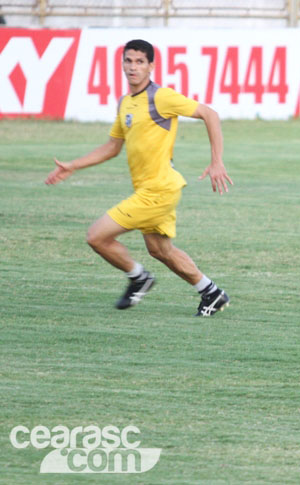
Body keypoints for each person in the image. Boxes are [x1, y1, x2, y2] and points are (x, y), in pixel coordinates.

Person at [45, 39, 233, 317]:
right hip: (155, 189)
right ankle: (211, 292)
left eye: (139, 62)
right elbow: (112, 147)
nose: (133, 67)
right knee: (161, 250)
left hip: (158, 191)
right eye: (128, 61)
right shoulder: (126, 103)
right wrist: (73, 165)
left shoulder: (161, 98)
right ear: (122, 63)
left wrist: (216, 161)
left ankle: (138, 277)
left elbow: (209, 113)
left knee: (96, 237)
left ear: (151, 66)